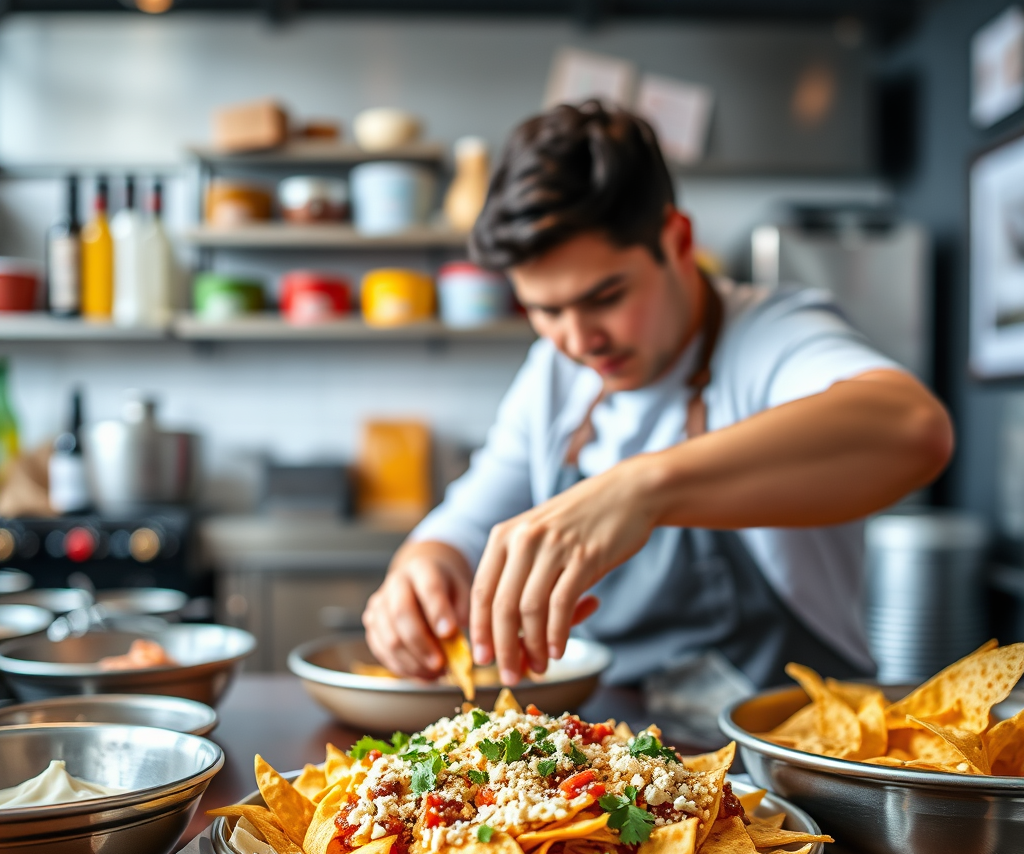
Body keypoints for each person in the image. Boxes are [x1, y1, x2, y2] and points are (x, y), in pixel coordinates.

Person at [362, 101, 953, 697]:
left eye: (606, 295)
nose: (579, 339)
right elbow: (469, 522)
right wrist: (422, 567)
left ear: (677, 240)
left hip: (787, 745)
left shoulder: (771, 335)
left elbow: (912, 429)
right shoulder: (555, 375)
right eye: (545, 309)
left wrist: (642, 491)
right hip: (620, 754)